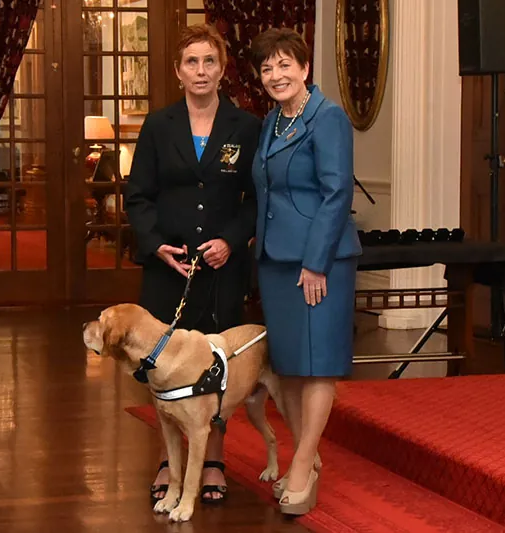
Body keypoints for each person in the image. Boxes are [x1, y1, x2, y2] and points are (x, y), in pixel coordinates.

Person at [124, 23, 262, 504]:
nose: (200, 71)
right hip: (169, 266)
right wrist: (156, 243)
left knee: (216, 370)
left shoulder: (246, 126)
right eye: (191, 62)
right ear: (178, 71)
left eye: (209, 61)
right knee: (163, 369)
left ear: (222, 70)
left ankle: (215, 460)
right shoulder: (158, 126)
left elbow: (254, 199)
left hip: (222, 269)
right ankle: (171, 461)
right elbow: (137, 195)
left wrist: (232, 238)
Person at [249, 28, 362, 515]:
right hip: (276, 261)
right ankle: (305, 455)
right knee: (292, 366)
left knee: (318, 365)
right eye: (267, 68)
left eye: (284, 65)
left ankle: (302, 464)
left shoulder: (328, 118)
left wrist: (316, 262)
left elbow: (337, 193)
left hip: (320, 263)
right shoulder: (272, 121)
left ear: (305, 68)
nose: (275, 75)